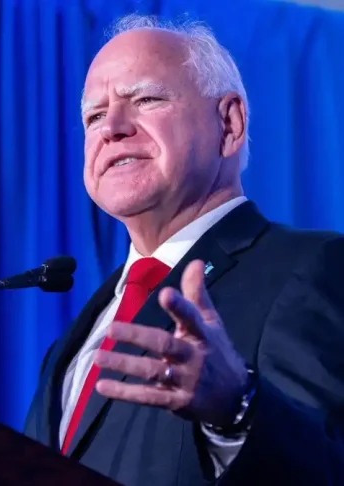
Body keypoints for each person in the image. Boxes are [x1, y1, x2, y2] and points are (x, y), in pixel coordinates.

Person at [23, 14, 344, 486]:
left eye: (146, 99)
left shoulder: (312, 269)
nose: (111, 128)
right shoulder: (72, 342)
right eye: (94, 116)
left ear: (229, 123)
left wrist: (238, 409)